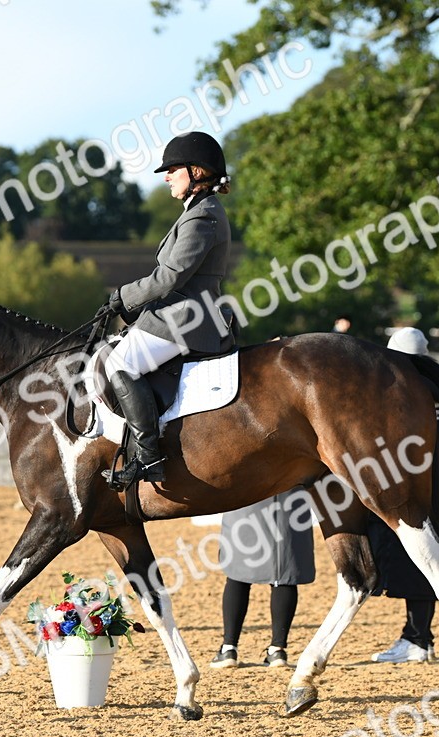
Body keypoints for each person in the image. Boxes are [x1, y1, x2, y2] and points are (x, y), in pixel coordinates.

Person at [99, 131, 235, 490]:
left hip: (187, 319)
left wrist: (123, 296)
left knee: (119, 364)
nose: (166, 176)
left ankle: (148, 456)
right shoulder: (197, 212)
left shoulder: (202, 217)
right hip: (174, 315)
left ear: (197, 171)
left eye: (173, 169)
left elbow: (170, 276)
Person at [370, 326, 437, 663]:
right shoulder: (435, 387)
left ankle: (418, 639)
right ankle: (419, 635)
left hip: (405, 483)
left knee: (421, 562)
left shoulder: (403, 388)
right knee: (425, 558)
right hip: (430, 480)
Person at [209, 489, 316, 669]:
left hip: (248, 494)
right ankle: (277, 650)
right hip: (290, 495)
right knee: (284, 573)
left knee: (237, 573)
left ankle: (228, 648)